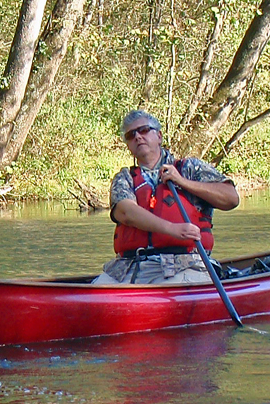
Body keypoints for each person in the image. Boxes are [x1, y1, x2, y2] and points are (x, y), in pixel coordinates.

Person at [94, 110, 240, 285]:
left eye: (144, 130)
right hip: (130, 267)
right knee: (92, 296)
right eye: (131, 135)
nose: (138, 137)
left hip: (185, 264)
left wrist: (182, 181)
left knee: (171, 292)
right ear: (128, 145)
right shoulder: (125, 178)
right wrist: (172, 229)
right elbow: (126, 213)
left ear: (159, 136)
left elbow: (231, 199)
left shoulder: (190, 168)